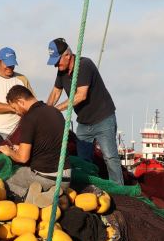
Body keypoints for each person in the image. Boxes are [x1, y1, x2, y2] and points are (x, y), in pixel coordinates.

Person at [45, 37, 124, 184]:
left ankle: (119, 188)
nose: (55, 64)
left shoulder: (84, 65)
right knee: (83, 161)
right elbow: (55, 92)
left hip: (103, 119)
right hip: (84, 122)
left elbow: (80, 95)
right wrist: (45, 111)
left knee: (110, 157)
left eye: (57, 60)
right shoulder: (61, 71)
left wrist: (56, 110)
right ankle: (89, 187)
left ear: (67, 55)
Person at [0, 85, 70, 207]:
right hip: (65, 178)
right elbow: (47, 144)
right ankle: (55, 196)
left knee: (3, 182)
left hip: (46, 178)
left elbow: (23, 158)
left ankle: (31, 197)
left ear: (21, 102)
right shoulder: (55, 112)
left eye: (15, 108)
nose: (16, 113)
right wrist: (19, 148)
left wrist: (9, 151)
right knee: (22, 172)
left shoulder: (29, 118)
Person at [0, 47, 34, 139]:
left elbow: (32, 103)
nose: (10, 67)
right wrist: (14, 108)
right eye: (7, 64)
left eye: (12, 64)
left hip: (21, 132)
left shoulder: (22, 79)